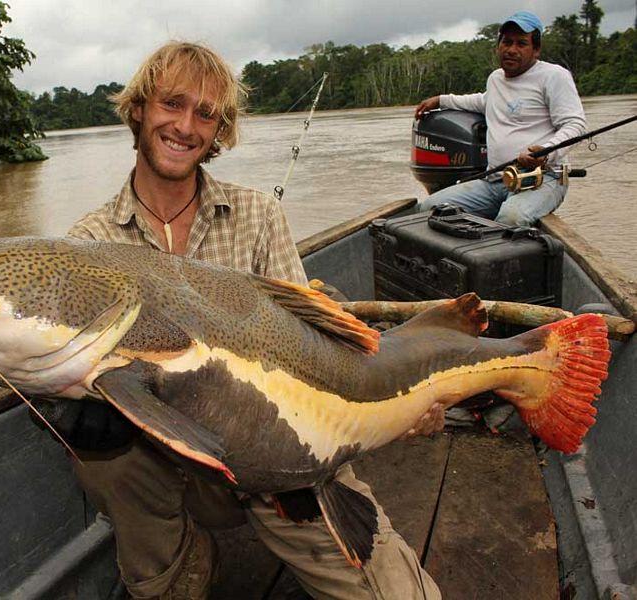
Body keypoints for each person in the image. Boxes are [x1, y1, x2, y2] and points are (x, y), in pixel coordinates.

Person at [44, 41, 442, 599]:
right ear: (138, 110)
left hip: (283, 458)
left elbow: (316, 348)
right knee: (105, 455)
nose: (185, 126)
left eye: (205, 114)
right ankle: (174, 571)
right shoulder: (88, 243)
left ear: (219, 131)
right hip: (170, 468)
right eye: (171, 104)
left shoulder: (257, 214)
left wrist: (408, 401)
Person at [415, 11, 587, 227]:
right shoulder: (496, 79)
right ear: (498, 46)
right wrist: (441, 100)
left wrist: (545, 151)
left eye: (521, 43)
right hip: (495, 179)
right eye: (507, 42)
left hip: (543, 180)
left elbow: (575, 124)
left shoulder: (554, 76)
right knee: (428, 210)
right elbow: (481, 101)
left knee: (511, 219)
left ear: (536, 50)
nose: (512, 50)